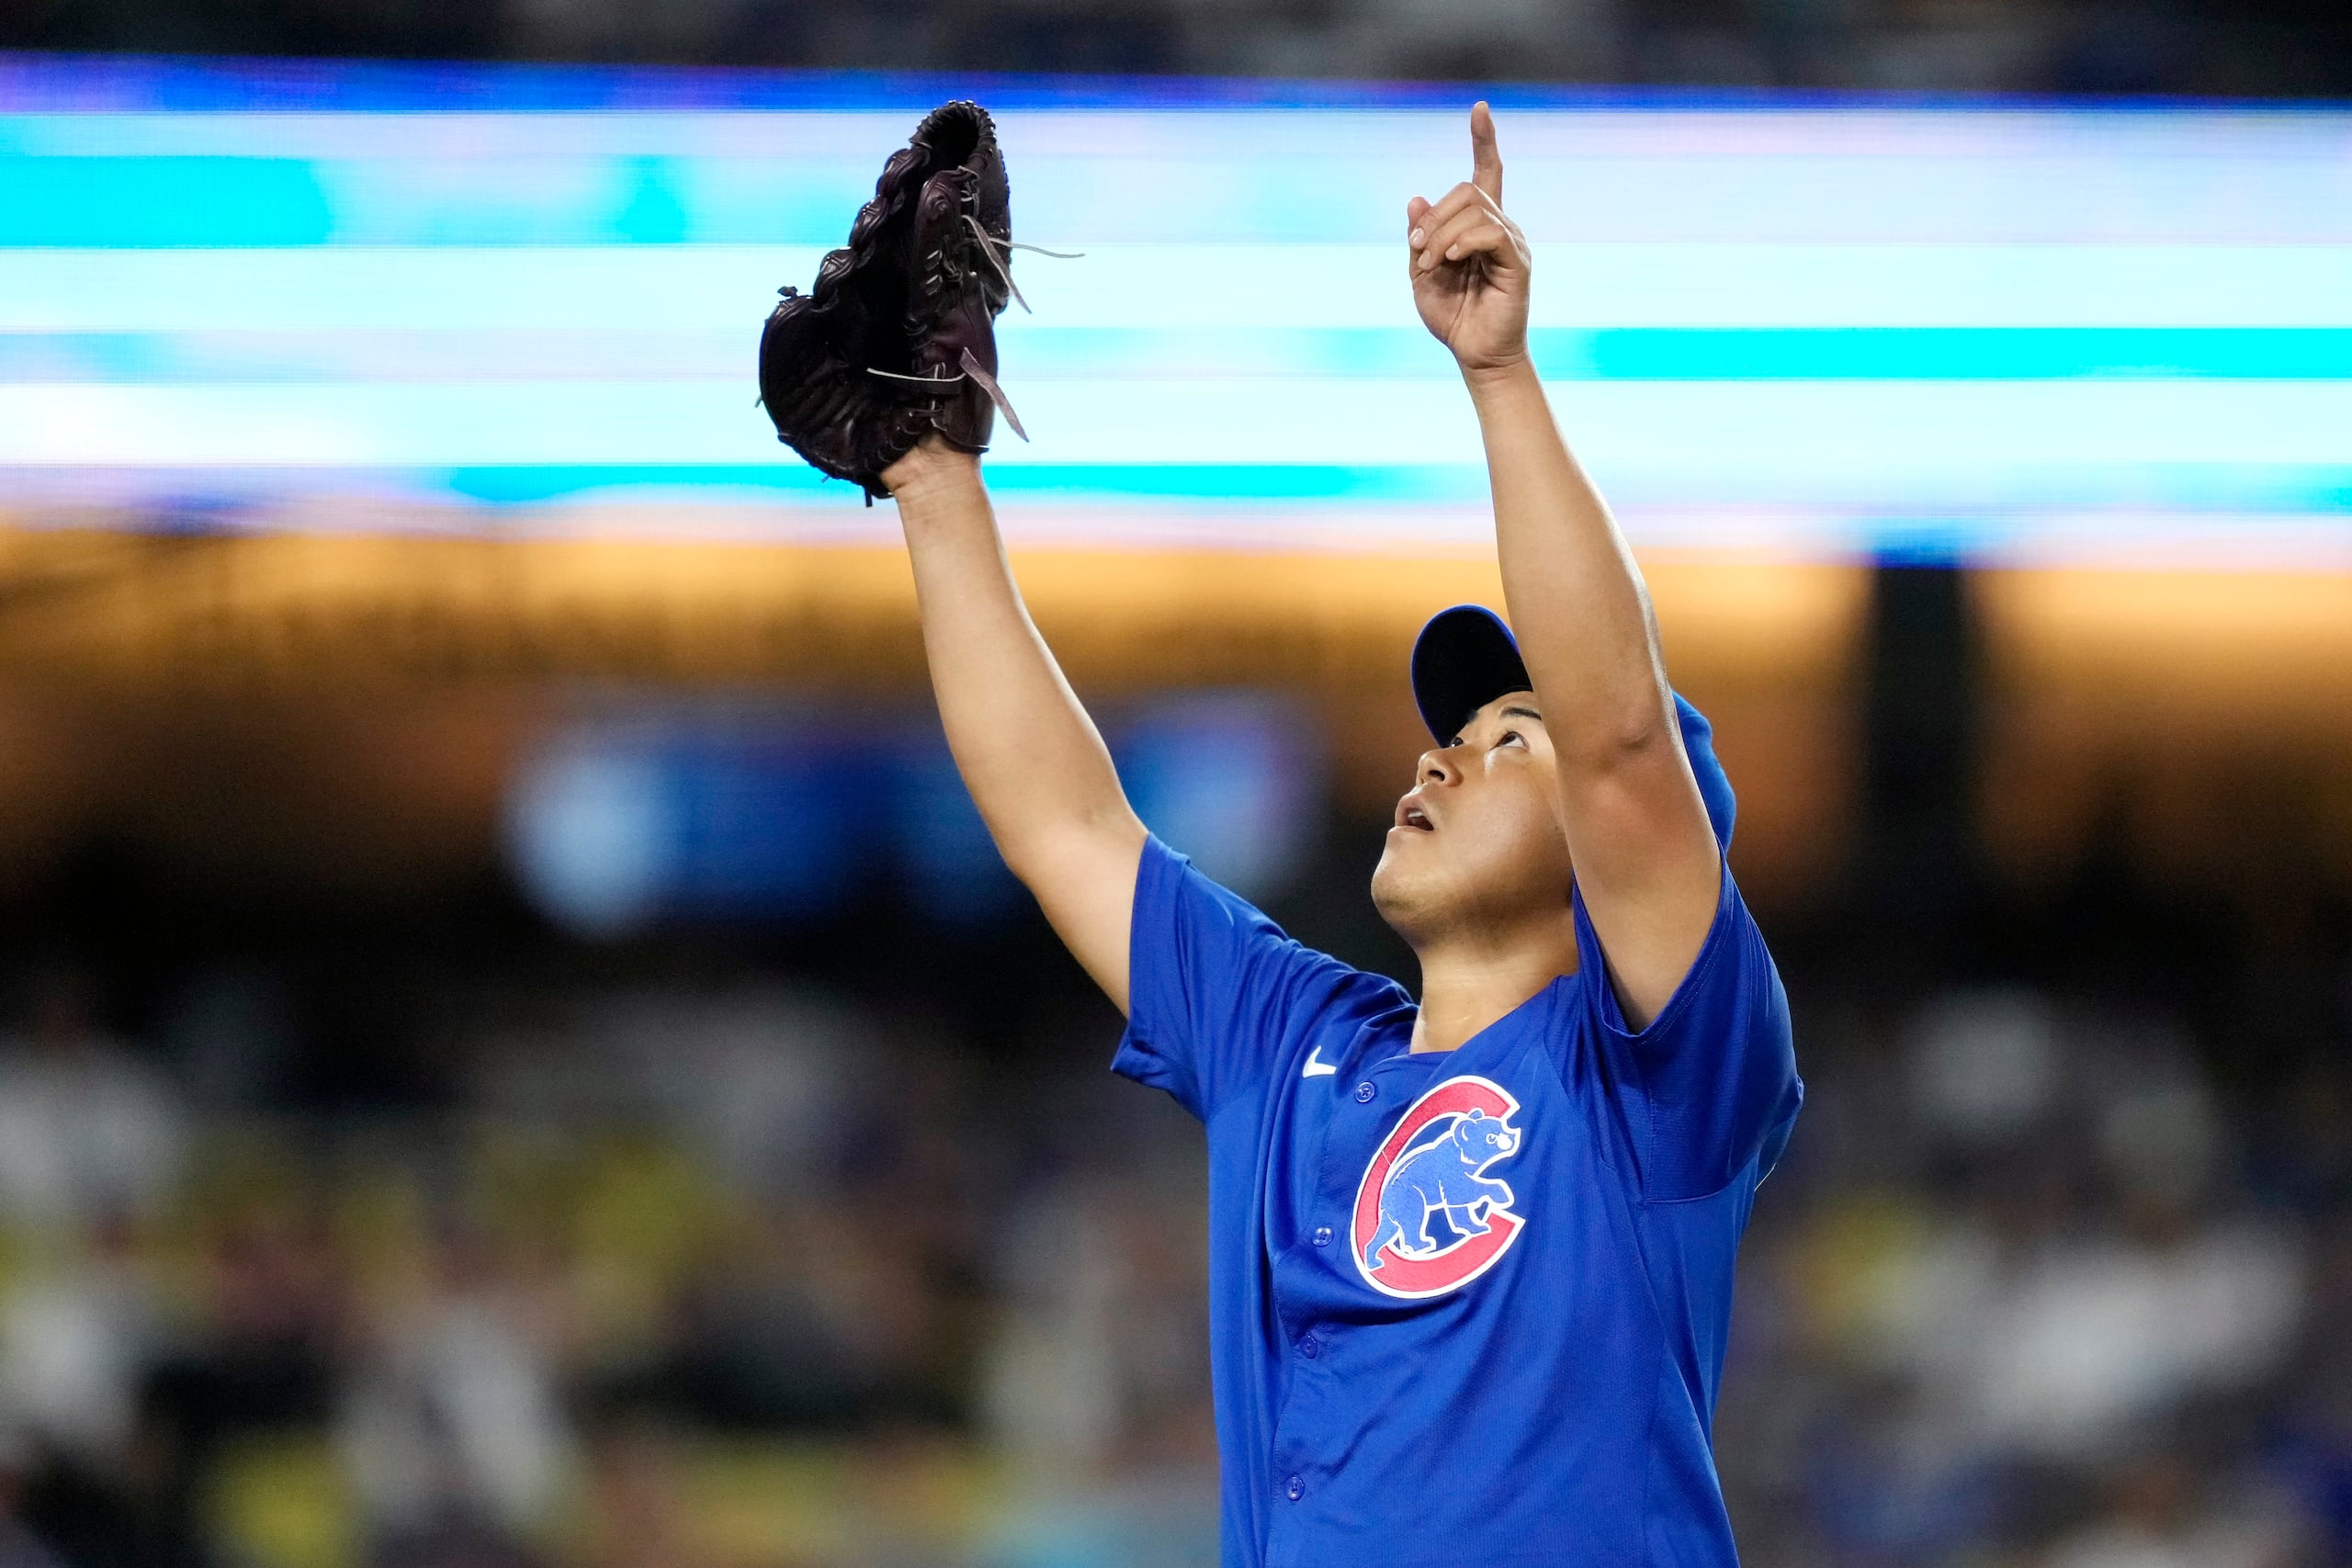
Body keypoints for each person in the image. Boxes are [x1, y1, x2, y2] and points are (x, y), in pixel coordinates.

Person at [877, 102, 1801, 1568]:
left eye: (1512, 741)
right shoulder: (1291, 1036)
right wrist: (932, 482)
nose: (1442, 757)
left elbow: (1623, 736)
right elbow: (1063, 823)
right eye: (1453, 732)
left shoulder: (1656, 1081)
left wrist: (1496, 376)